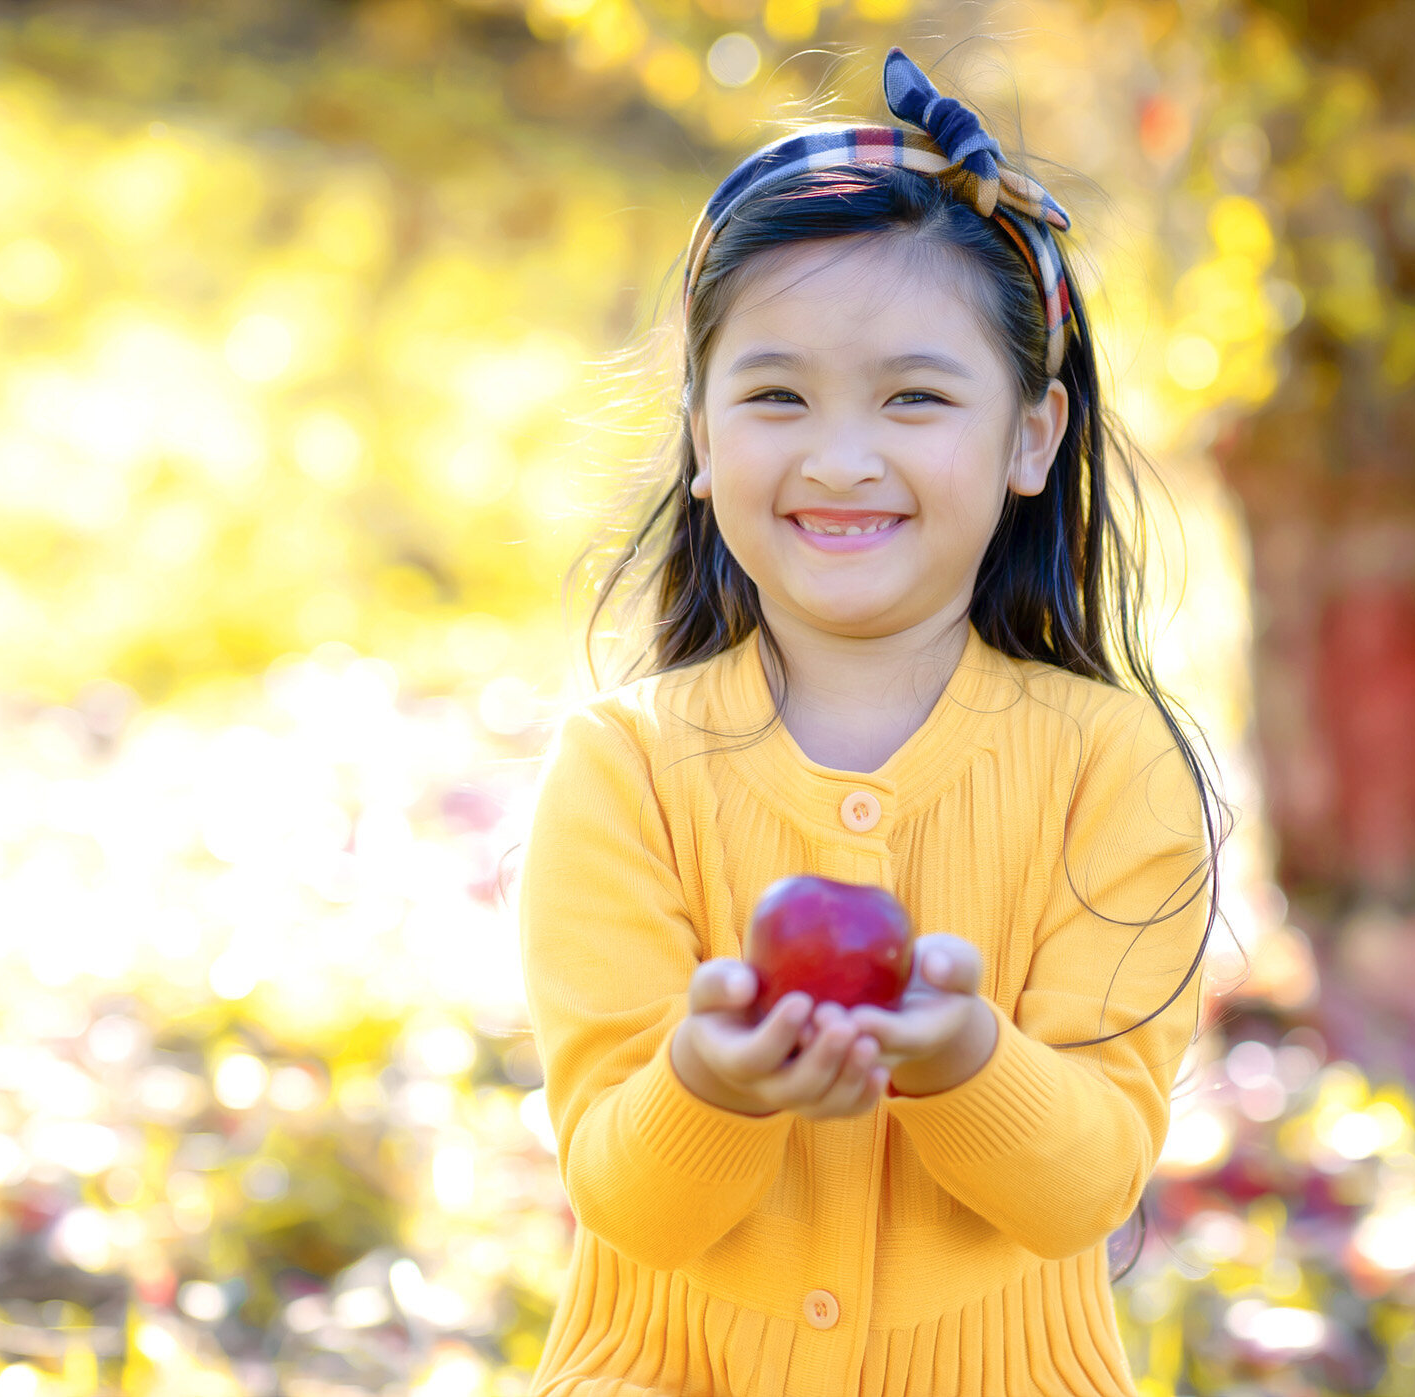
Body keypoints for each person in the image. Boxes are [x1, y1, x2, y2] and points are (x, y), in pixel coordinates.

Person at [516, 45, 1228, 1397]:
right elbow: (626, 1195)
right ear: (702, 434)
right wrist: (708, 1084)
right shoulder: (623, 771)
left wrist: (966, 1060)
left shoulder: (1109, 766)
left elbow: (1085, 1183)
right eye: (776, 394)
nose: (841, 457)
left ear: (1032, 435)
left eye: (915, 396)